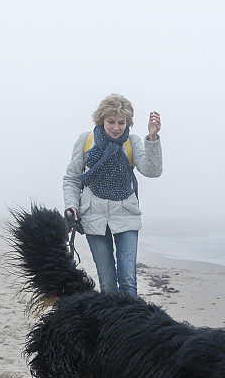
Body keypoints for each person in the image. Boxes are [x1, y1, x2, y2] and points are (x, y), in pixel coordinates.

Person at [63, 94, 163, 298]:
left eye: (121, 122)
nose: (116, 127)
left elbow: (152, 170)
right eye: (111, 122)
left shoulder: (132, 141)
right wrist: (71, 206)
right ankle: (112, 329)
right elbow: (72, 179)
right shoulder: (86, 140)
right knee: (107, 284)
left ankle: (131, 329)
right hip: (94, 218)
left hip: (126, 216)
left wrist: (152, 138)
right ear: (102, 120)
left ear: (127, 122)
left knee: (128, 282)